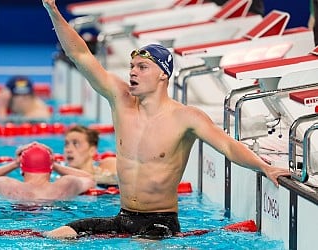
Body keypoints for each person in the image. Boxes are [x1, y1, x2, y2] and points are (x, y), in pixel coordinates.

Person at [41, 0, 291, 239]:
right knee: (57, 235)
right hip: (123, 217)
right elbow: (81, 56)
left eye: (142, 67)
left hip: (160, 222)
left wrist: (264, 167)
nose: (132, 72)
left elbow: (228, 146)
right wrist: (52, 9)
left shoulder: (185, 117)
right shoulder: (121, 101)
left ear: (163, 74)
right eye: (131, 66)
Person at [0, 142, 96, 201]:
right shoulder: (68, 183)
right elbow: (91, 179)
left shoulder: (6, 184)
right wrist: (55, 164)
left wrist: (14, 163)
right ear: (50, 168)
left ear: (22, 168)